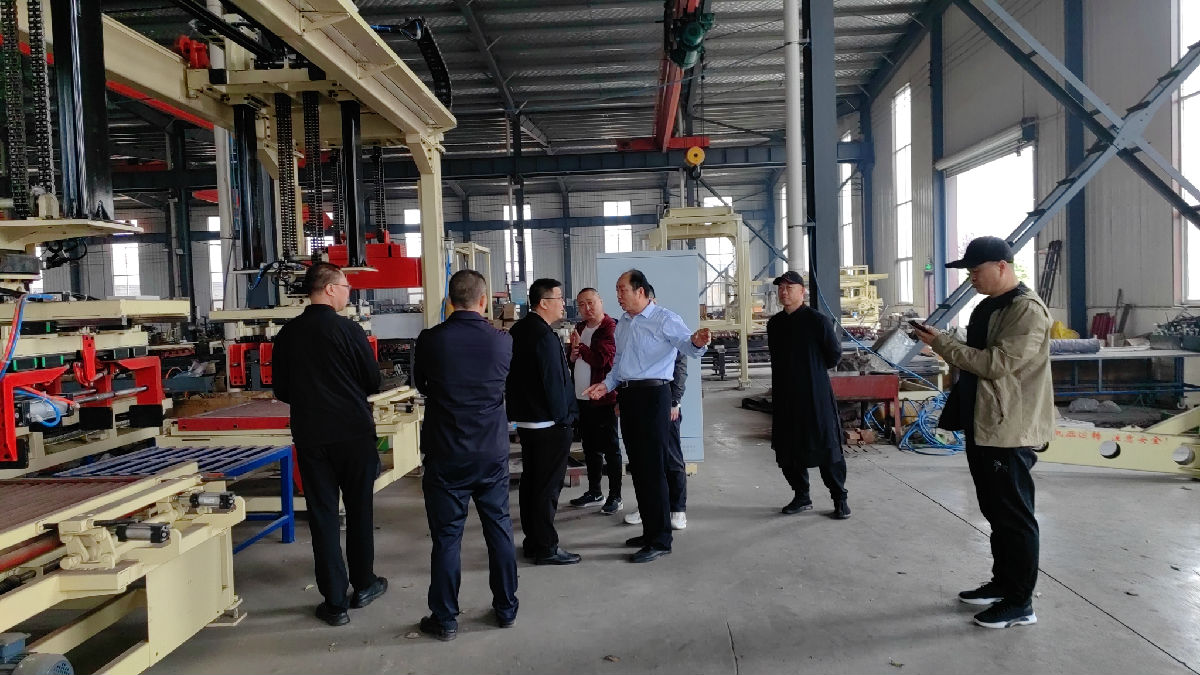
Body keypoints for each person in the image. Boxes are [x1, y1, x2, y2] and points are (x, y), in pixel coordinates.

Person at [912, 236, 1053, 630]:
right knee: (995, 511)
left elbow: (996, 364)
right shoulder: (991, 305)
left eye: (976, 271)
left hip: (1010, 429)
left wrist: (943, 345)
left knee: (1015, 516)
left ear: (1002, 266)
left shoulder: (1026, 310)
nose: (971, 278)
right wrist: (942, 341)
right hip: (985, 422)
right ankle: (1002, 583)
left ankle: (1020, 602)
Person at [272, 262, 386, 627]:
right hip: (353, 433)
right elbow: (372, 381)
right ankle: (364, 584)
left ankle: (335, 603)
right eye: (346, 286)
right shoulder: (349, 330)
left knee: (322, 516)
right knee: (359, 510)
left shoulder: (288, 334)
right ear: (330, 288)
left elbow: (281, 389)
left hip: (312, 436)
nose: (349, 292)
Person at [411, 270, 519, 641]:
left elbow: (422, 386)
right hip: (490, 452)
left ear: (449, 302)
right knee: (499, 528)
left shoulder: (430, 340)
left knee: (447, 537)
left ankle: (445, 619)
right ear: (484, 301)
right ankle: (506, 608)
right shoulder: (502, 342)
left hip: (446, 451)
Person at [583, 270, 709, 564]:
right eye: (617, 290)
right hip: (629, 397)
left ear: (640, 291)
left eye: (622, 290)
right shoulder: (624, 324)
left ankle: (661, 539)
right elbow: (619, 365)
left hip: (654, 396)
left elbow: (688, 346)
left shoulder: (665, 318)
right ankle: (650, 531)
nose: (618, 296)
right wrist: (607, 385)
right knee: (638, 468)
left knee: (653, 468)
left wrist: (698, 341)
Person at [507, 278, 581, 565]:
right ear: (543, 303)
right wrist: (565, 419)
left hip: (528, 421)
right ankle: (546, 547)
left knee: (532, 485)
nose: (563, 303)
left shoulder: (519, 330)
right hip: (549, 424)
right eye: (559, 298)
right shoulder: (544, 336)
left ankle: (533, 541)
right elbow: (554, 382)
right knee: (547, 489)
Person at [767, 271, 850, 520]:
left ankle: (839, 498)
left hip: (815, 394)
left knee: (827, 447)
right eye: (781, 288)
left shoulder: (817, 321)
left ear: (802, 291)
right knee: (788, 449)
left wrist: (810, 369)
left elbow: (833, 355)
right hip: (785, 396)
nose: (784, 292)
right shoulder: (775, 324)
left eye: (789, 287)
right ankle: (801, 496)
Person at [566, 288, 622, 515]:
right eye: (581, 304)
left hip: (603, 399)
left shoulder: (610, 327)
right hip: (582, 398)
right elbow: (575, 360)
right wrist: (572, 356)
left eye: (591, 302)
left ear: (601, 301)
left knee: (610, 448)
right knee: (589, 447)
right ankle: (595, 491)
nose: (587, 308)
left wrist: (580, 348)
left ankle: (615, 495)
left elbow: (602, 360)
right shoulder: (580, 328)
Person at [624, 351, 689, 531]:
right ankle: (649, 508)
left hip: (665, 400)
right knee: (646, 459)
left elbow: (680, 365)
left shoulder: (671, 332)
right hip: (641, 400)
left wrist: (675, 401)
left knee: (671, 456)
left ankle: (677, 509)